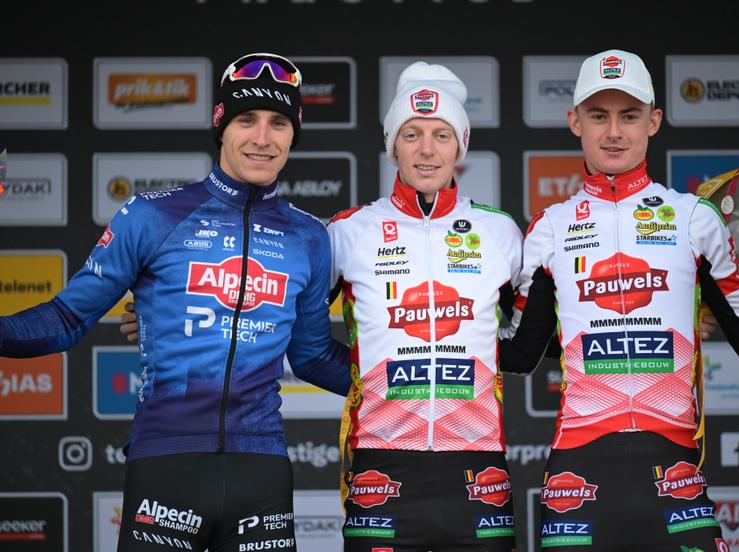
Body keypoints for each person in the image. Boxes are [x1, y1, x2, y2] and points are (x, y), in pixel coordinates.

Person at [0, 52, 350, 552]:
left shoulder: (310, 237)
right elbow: (66, 318)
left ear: (294, 134)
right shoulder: (152, 216)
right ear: (221, 127)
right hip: (167, 465)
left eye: (278, 123)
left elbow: (313, 356)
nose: (262, 138)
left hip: (262, 470)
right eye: (246, 120)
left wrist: (416, 379)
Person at [498, 49, 739, 552]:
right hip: (578, 473)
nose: (614, 132)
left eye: (629, 116)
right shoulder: (549, 229)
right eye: (598, 116)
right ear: (574, 122)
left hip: (674, 469)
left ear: (653, 121)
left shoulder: (693, 218)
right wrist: (462, 305)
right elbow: (523, 351)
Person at [323, 61, 523, 552]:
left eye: (441, 134)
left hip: (478, 468)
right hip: (381, 465)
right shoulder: (349, 232)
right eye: (412, 134)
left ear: (461, 145)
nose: (427, 149)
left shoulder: (499, 232)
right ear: (393, 144)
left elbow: (548, 328)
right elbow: (284, 324)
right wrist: (358, 382)